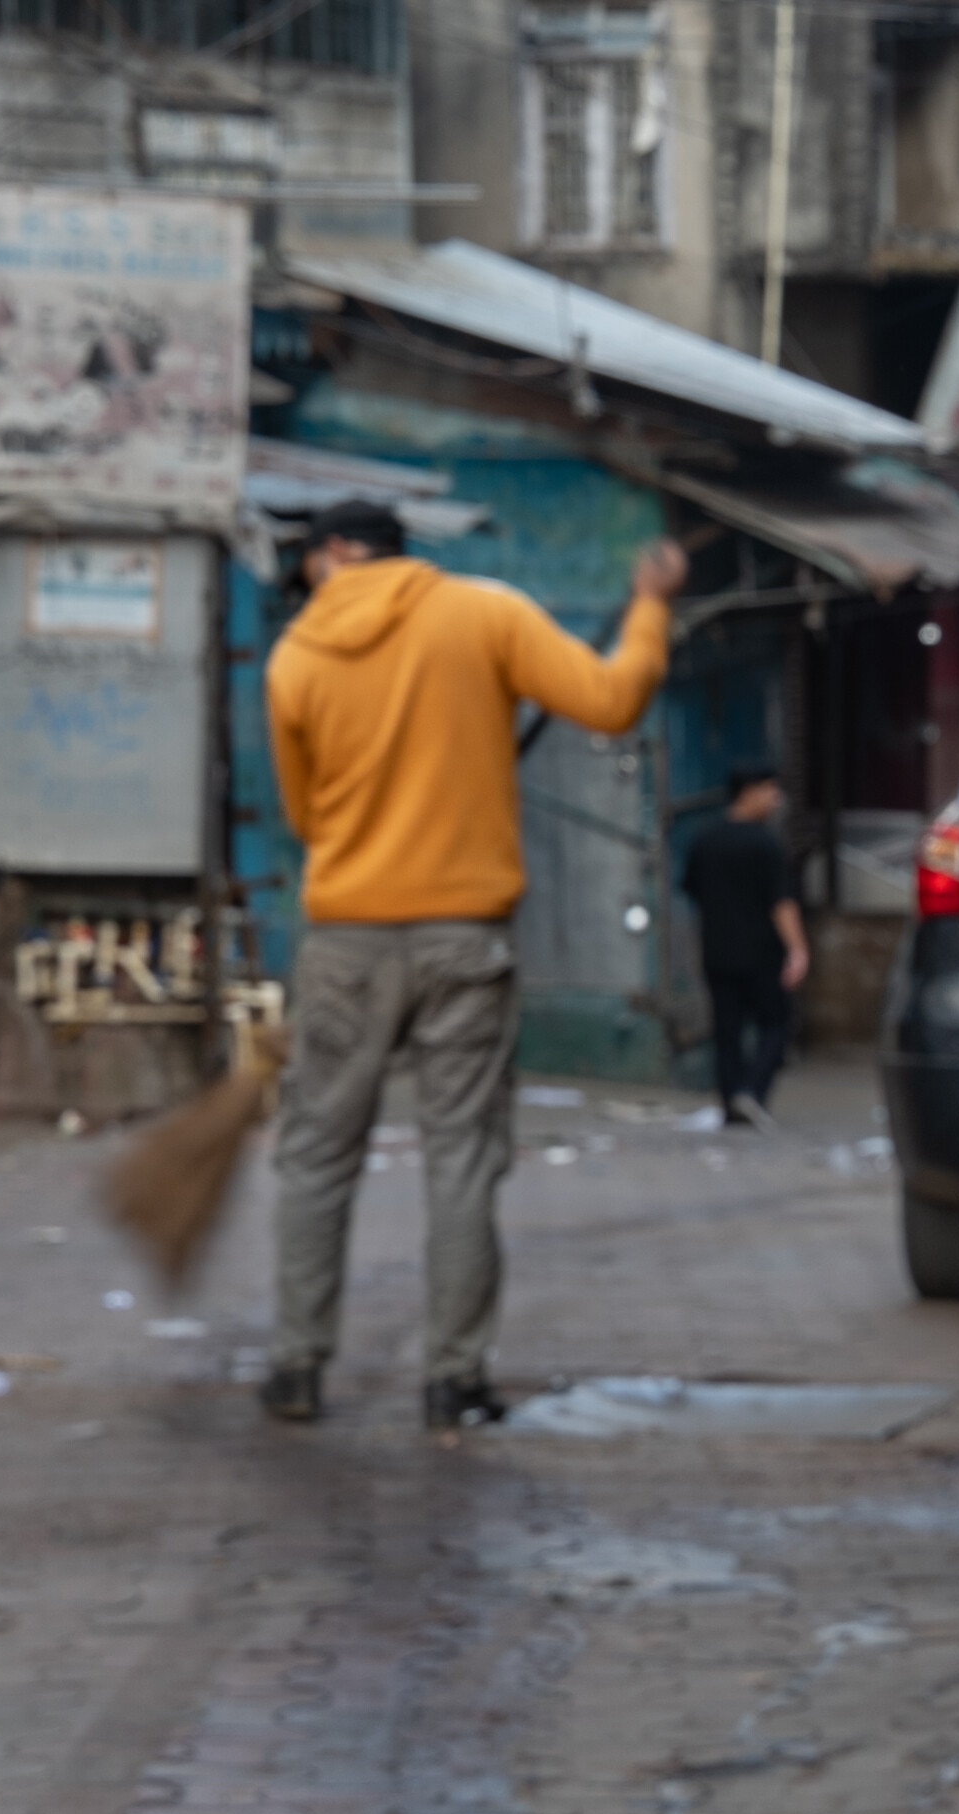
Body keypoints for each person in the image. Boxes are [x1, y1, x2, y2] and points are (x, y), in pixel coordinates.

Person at [259, 499, 683, 1428]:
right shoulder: (484, 613)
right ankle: (454, 1379)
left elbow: (302, 818)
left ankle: (297, 1366)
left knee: (318, 1156)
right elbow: (612, 701)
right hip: (465, 936)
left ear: (335, 553)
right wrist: (649, 605)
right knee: (461, 1159)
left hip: (346, 940)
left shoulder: (295, 658)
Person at [684, 765, 808, 1123]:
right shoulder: (764, 843)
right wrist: (798, 949)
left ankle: (731, 1107)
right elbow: (781, 903)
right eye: (770, 790)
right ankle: (750, 1091)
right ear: (749, 792)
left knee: (727, 1032)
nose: (776, 799)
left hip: (717, 952)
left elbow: (692, 890)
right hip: (761, 955)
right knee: (777, 1024)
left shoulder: (704, 839)